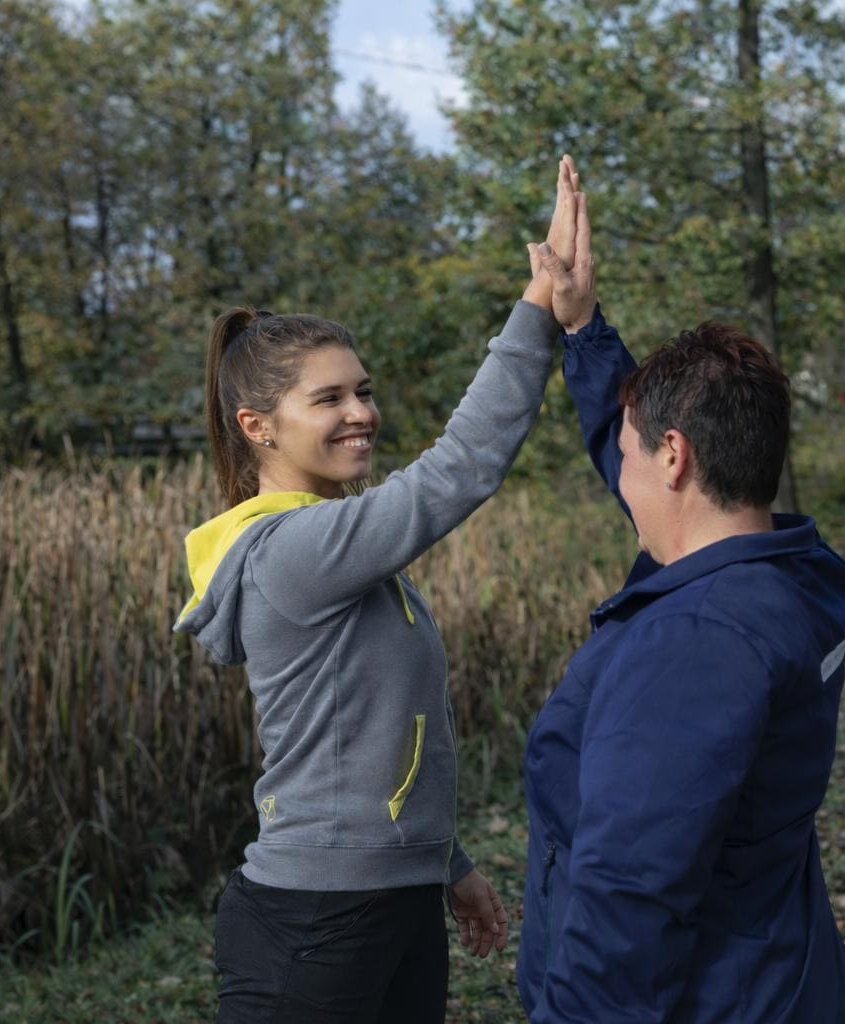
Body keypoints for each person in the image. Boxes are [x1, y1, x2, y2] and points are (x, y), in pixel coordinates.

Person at [173, 158, 595, 1023]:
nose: (361, 411)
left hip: (389, 902)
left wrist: (448, 865)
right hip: (315, 921)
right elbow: (456, 472)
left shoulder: (347, 552)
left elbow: (372, 737)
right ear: (258, 427)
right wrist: (535, 310)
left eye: (363, 390)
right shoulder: (292, 548)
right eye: (327, 398)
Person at [517, 200, 845, 1021]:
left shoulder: (697, 642)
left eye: (632, 450)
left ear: (674, 456)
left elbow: (631, 897)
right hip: (778, 976)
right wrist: (584, 328)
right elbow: (632, 448)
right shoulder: (798, 572)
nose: (617, 464)